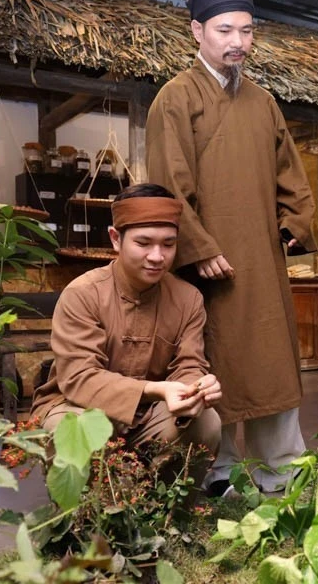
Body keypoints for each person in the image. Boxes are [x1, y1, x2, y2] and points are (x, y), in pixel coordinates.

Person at [146, 0, 316, 496]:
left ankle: (282, 474)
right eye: (225, 29)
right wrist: (198, 248)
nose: (237, 41)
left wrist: (294, 224)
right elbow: (170, 184)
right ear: (198, 31)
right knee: (209, 366)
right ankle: (213, 476)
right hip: (207, 270)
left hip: (260, 262)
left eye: (246, 30)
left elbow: (291, 172)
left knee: (269, 366)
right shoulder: (174, 99)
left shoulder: (263, 101)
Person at [31, 184, 222, 464]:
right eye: (143, 243)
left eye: (168, 244)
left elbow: (189, 364)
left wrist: (195, 387)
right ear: (116, 239)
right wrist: (155, 390)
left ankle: (163, 508)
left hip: (152, 414)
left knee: (207, 422)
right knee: (74, 431)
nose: (157, 256)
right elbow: (80, 377)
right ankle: (90, 509)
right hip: (76, 406)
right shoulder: (83, 294)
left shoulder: (188, 298)